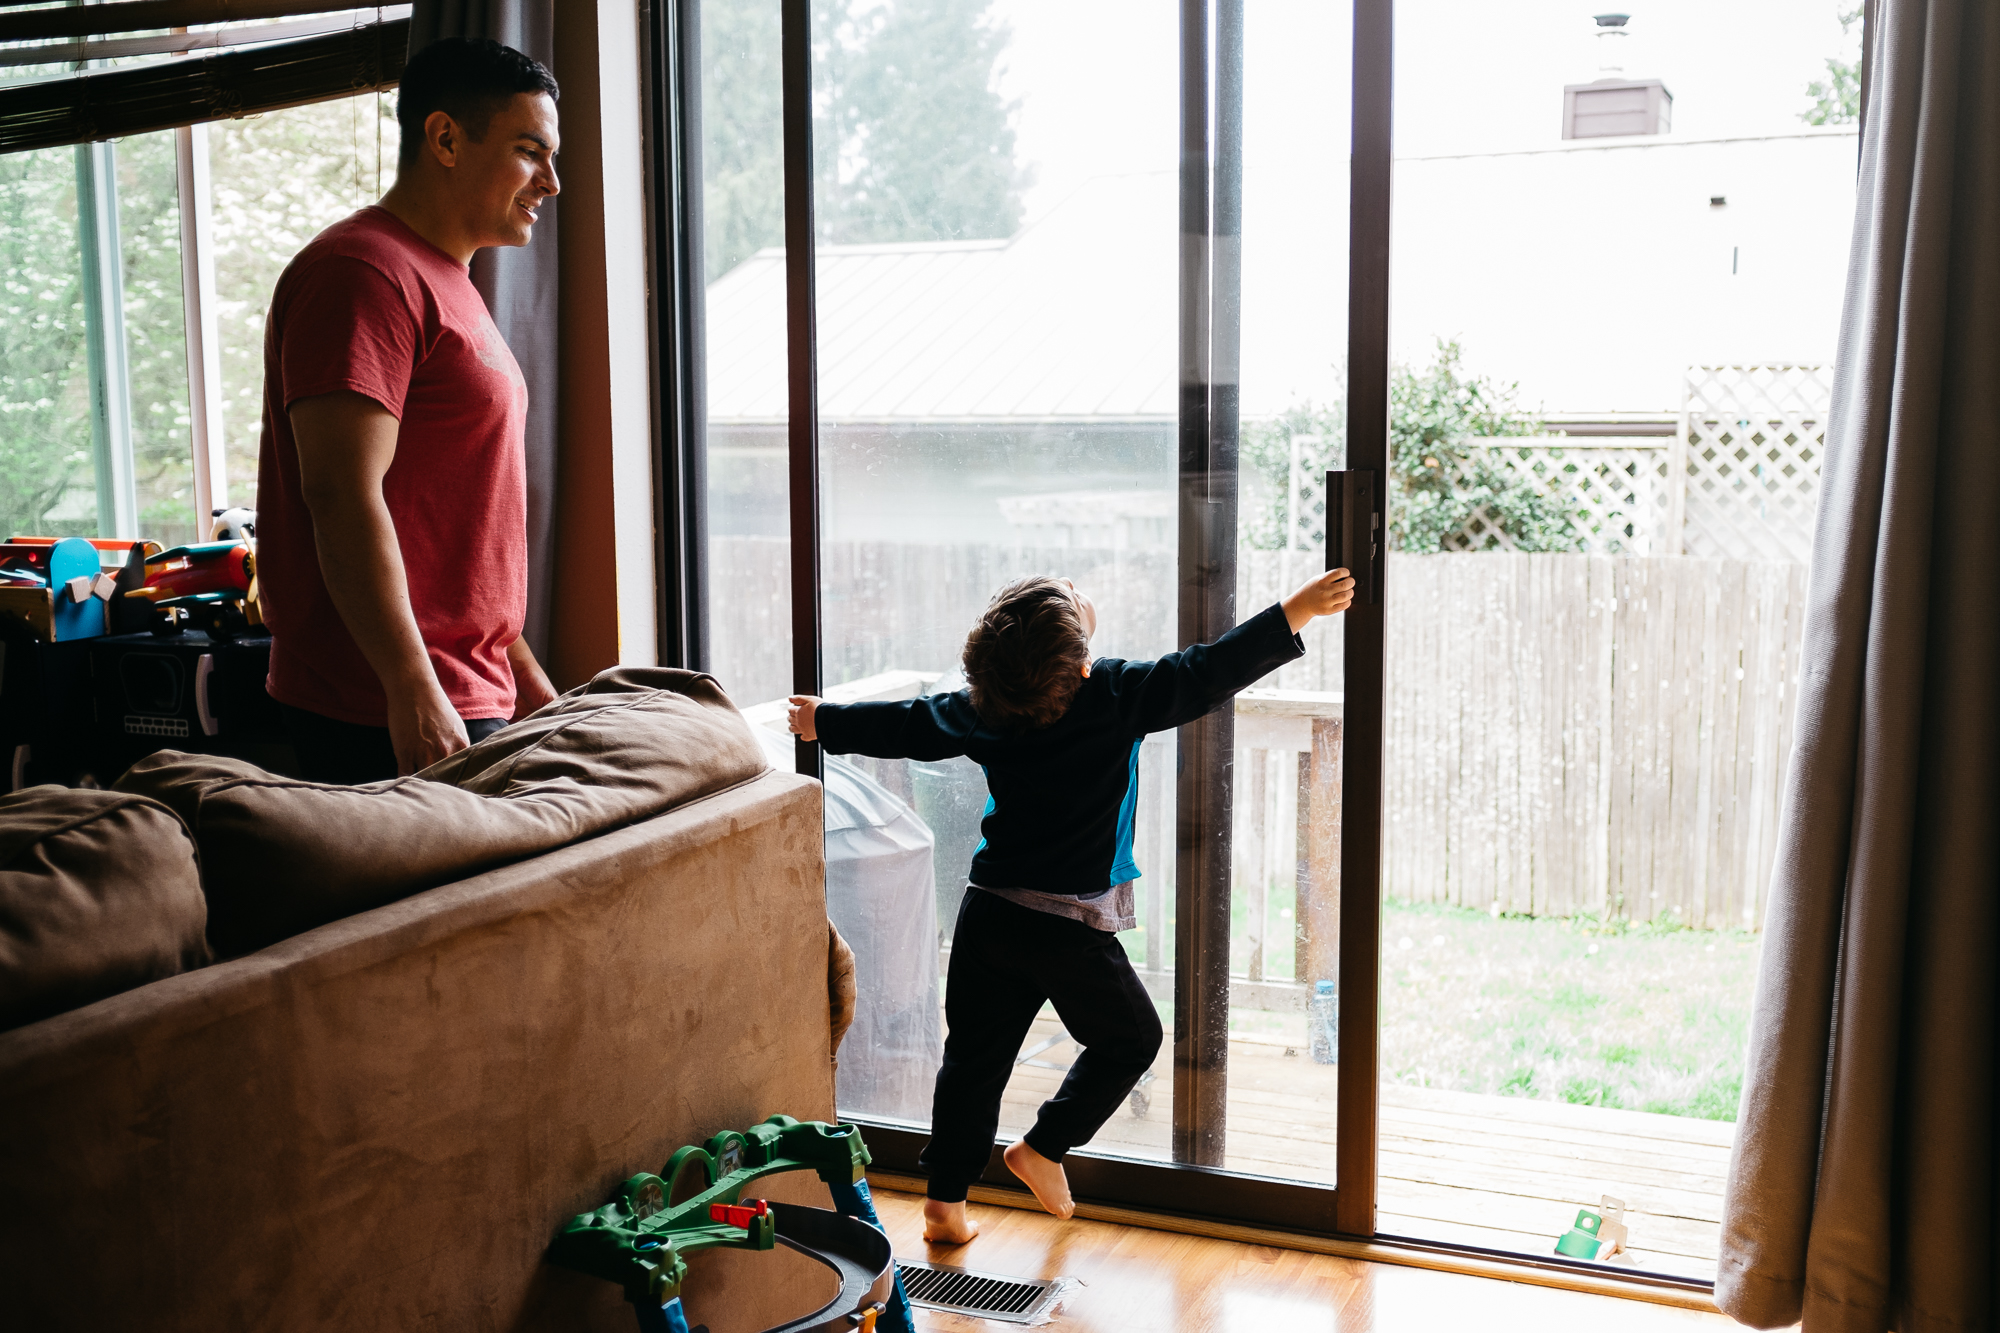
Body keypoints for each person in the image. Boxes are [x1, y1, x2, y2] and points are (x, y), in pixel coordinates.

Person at [787, 566, 1358, 1243]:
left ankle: (944, 1203)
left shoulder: (987, 705)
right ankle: (1043, 1145)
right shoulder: (1116, 692)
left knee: (972, 1061)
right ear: (1080, 665)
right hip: (1065, 928)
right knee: (1133, 1039)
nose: (1080, 591)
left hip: (989, 914)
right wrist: (1295, 610)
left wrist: (823, 719)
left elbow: (909, 725)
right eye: (1070, 600)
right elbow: (1206, 671)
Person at [255, 38, 563, 784]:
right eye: (531, 151)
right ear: (446, 138)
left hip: (467, 690)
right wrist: (410, 685)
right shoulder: (362, 273)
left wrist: (525, 680)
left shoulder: (450, 282)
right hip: (382, 707)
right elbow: (339, 491)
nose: (551, 183)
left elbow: (453, 529)